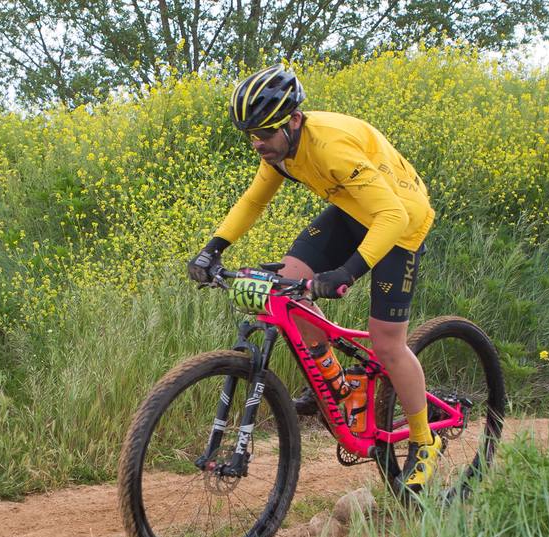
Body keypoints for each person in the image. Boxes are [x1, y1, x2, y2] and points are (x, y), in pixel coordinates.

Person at [188, 64, 442, 492]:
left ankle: (423, 439)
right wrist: (212, 248)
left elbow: (392, 216)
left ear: (293, 121)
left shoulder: (330, 149)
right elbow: (253, 201)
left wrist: (346, 273)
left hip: (401, 220)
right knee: (290, 286)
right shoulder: (281, 152)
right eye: (250, 135)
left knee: (386, 342)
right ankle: (341, 388)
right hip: (353, 208)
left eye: (264, 134)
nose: (257, 144)